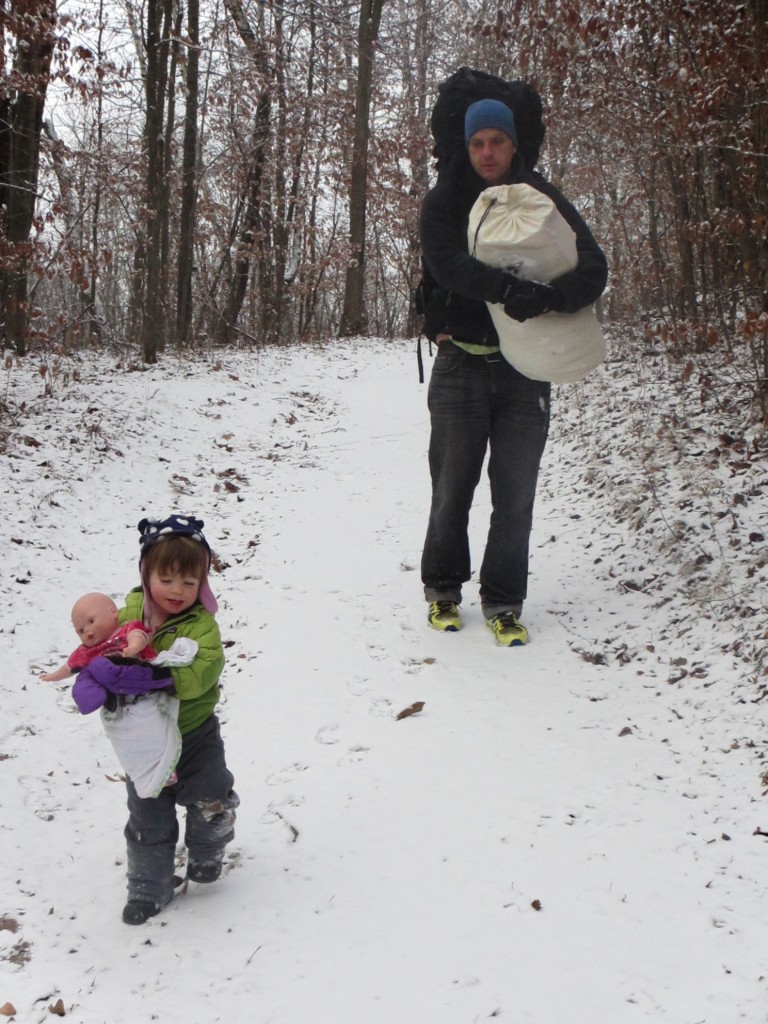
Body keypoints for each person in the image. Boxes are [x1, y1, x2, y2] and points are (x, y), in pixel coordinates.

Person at [419, 96, 608, 645]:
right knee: (451, 487)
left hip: (528, 371)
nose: (486, 153)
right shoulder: (445, 200)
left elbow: (593, 265)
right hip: (461, 368)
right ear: (466, 145)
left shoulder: (543, 198)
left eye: (496, 141)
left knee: (516, 493)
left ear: (512, 143)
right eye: (477, 143)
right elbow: (445, 263)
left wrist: (552, 297)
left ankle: (504, 602)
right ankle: (442, 592)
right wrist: (506, 289)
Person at [72, 514, 239, 925]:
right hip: (144, 742)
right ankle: (149, 886)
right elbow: (99, 645)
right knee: (148, 816)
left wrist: (160, 676)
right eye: (167, 579)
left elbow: (205, 671)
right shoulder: (127, 613)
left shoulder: (202, 627)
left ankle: (208, 847)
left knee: (210, 798)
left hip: (194, 734)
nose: (178, 591)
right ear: (147, 574)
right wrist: (97, 669)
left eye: (190, 581)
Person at [40, 591, 156, 682]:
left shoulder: (127, 629)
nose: (88, 632)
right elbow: (69, 667)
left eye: (91, 621)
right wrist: (54, 676)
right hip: (117, 692)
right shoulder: (86, 651)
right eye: (81, 631)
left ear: (113, 612)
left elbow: (137, 635)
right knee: (86, 678)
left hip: (142, 671)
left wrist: (134, 646)